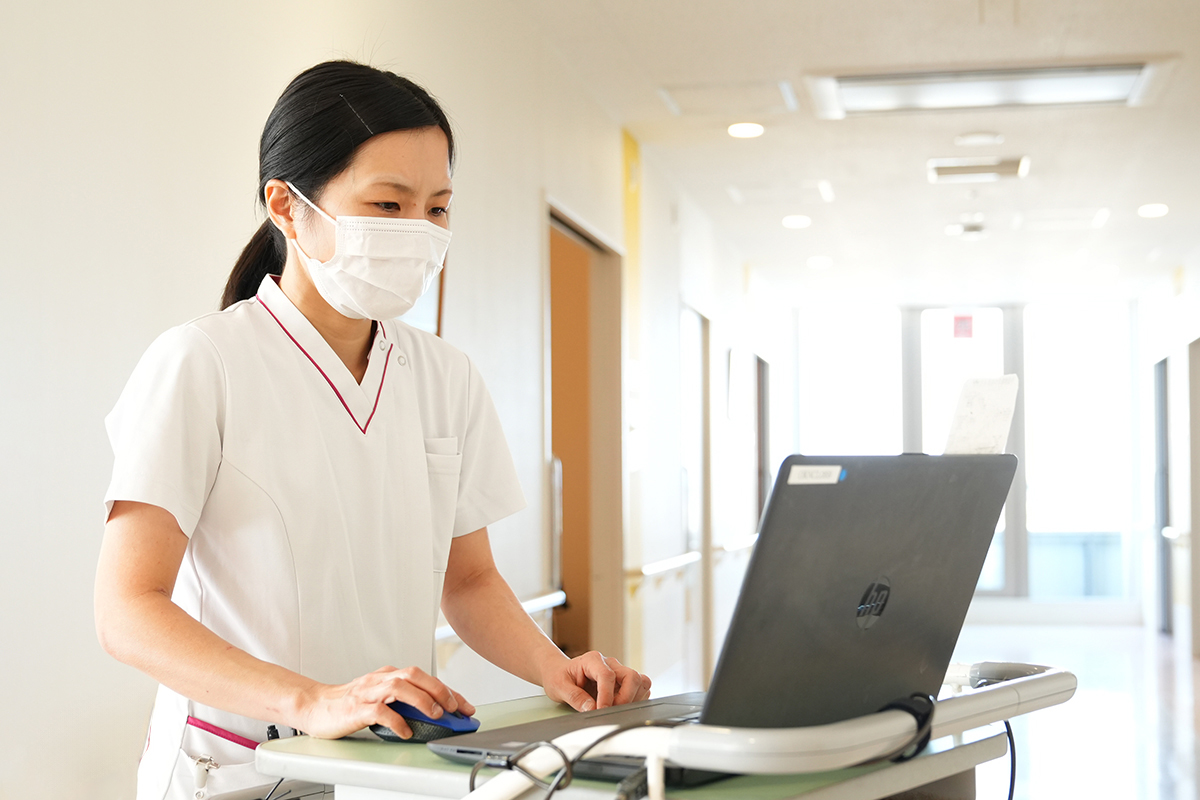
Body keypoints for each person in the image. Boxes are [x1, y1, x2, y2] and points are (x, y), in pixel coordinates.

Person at [94, 60, 650, 800]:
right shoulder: (201, 363)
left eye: (438, 208)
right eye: (388, 205)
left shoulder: (445, 376)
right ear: (287, 208)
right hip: (234, 772)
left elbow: (471, 581)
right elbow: (128, 609)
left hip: (391, 767)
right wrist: (311, 700)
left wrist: (559, 669)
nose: (417, 232)